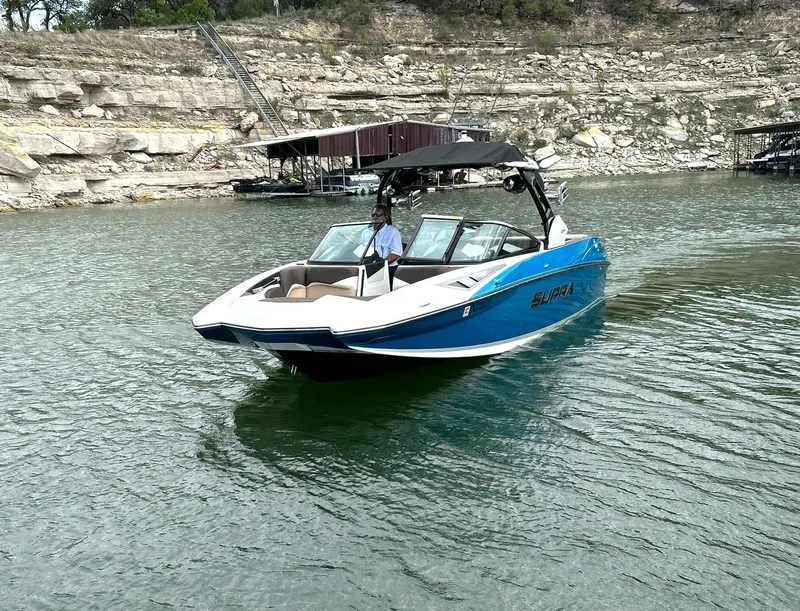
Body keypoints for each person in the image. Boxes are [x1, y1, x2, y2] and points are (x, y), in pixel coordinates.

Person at [361, 203, 402, 289]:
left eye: (379, 215)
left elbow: (396, 254)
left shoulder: (393, 232)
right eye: (373, 215)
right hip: (368, 268)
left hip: (388, 269)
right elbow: (361, 250)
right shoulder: (365, 232)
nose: (375, 217)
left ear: (386, 217)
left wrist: (380, 266)